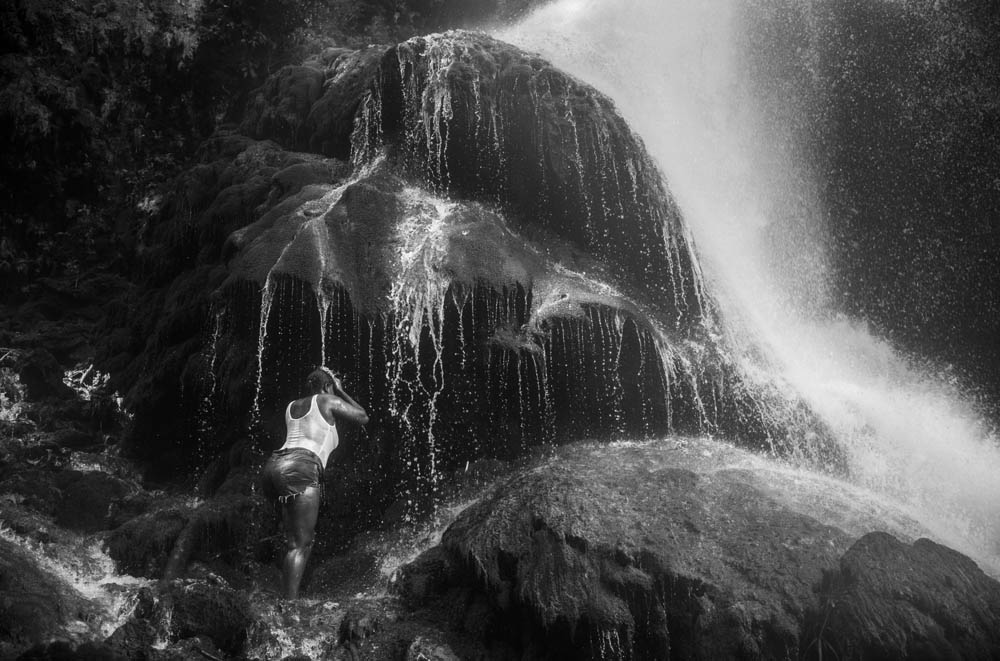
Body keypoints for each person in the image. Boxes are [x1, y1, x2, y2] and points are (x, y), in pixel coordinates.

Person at [261, 366, 369, 599]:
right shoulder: (327, 399)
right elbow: (362, 417)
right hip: (301, 468)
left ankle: (280, 592)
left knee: (291, 538)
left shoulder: (292, 406)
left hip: (273, 467)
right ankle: (289, 609)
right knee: (301, 544)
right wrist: (341, 391)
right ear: (327, 386)